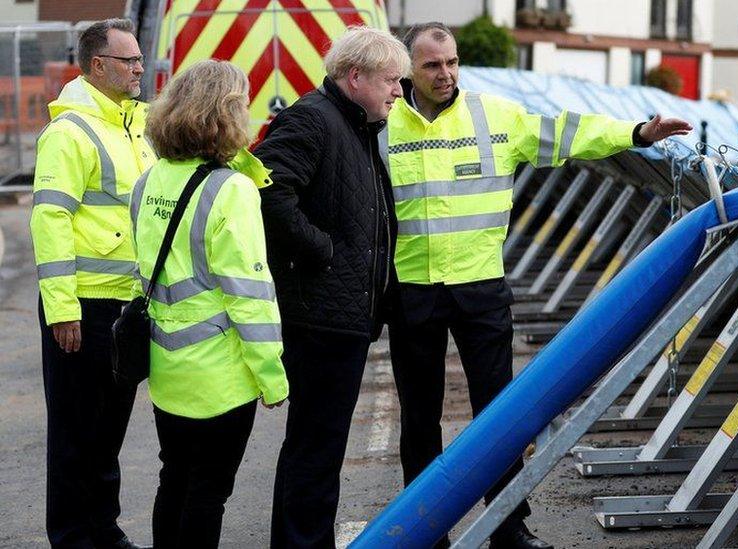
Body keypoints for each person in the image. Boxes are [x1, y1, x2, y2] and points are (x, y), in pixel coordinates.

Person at [383, 22, 693, 549]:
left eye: (452, 62)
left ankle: (508, 527)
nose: (446, 73)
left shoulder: (493, 116)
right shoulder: (383, 126)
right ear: (408, 68)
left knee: (501, 416)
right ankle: (426, 530)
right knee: (419, 419)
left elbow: (568, 132)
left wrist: (637, 134)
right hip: (412, 289)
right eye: (433, 65)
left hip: (480, 287)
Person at [253, 26, 410, 548]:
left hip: (339, 314)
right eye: (391, 80)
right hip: (318, 316)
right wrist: (325, 253)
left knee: (318, 446)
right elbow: (270, 196)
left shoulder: (355, 125)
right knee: (315, 448)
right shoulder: (313, 120)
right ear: (355, 76)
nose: (397, 91)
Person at [133, 59, 289, 548]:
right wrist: (272, 376)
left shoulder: (148, 181)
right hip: (220, 375)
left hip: (168, 369)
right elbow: (250, 296)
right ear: (227, 114)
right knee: (207, 493)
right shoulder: (233, 190)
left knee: (173, 479)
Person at [29, 18, 155, 549]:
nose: (140, 68)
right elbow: (50, 220)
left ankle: (102, 529)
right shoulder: (69, 132)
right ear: (98, 65)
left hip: (124, 305)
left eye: (139, 60)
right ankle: (75, 537)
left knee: (107, 432)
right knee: (77, 433)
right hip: (81, 304)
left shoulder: (133, 126)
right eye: (130, 61)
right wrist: (62, 309)